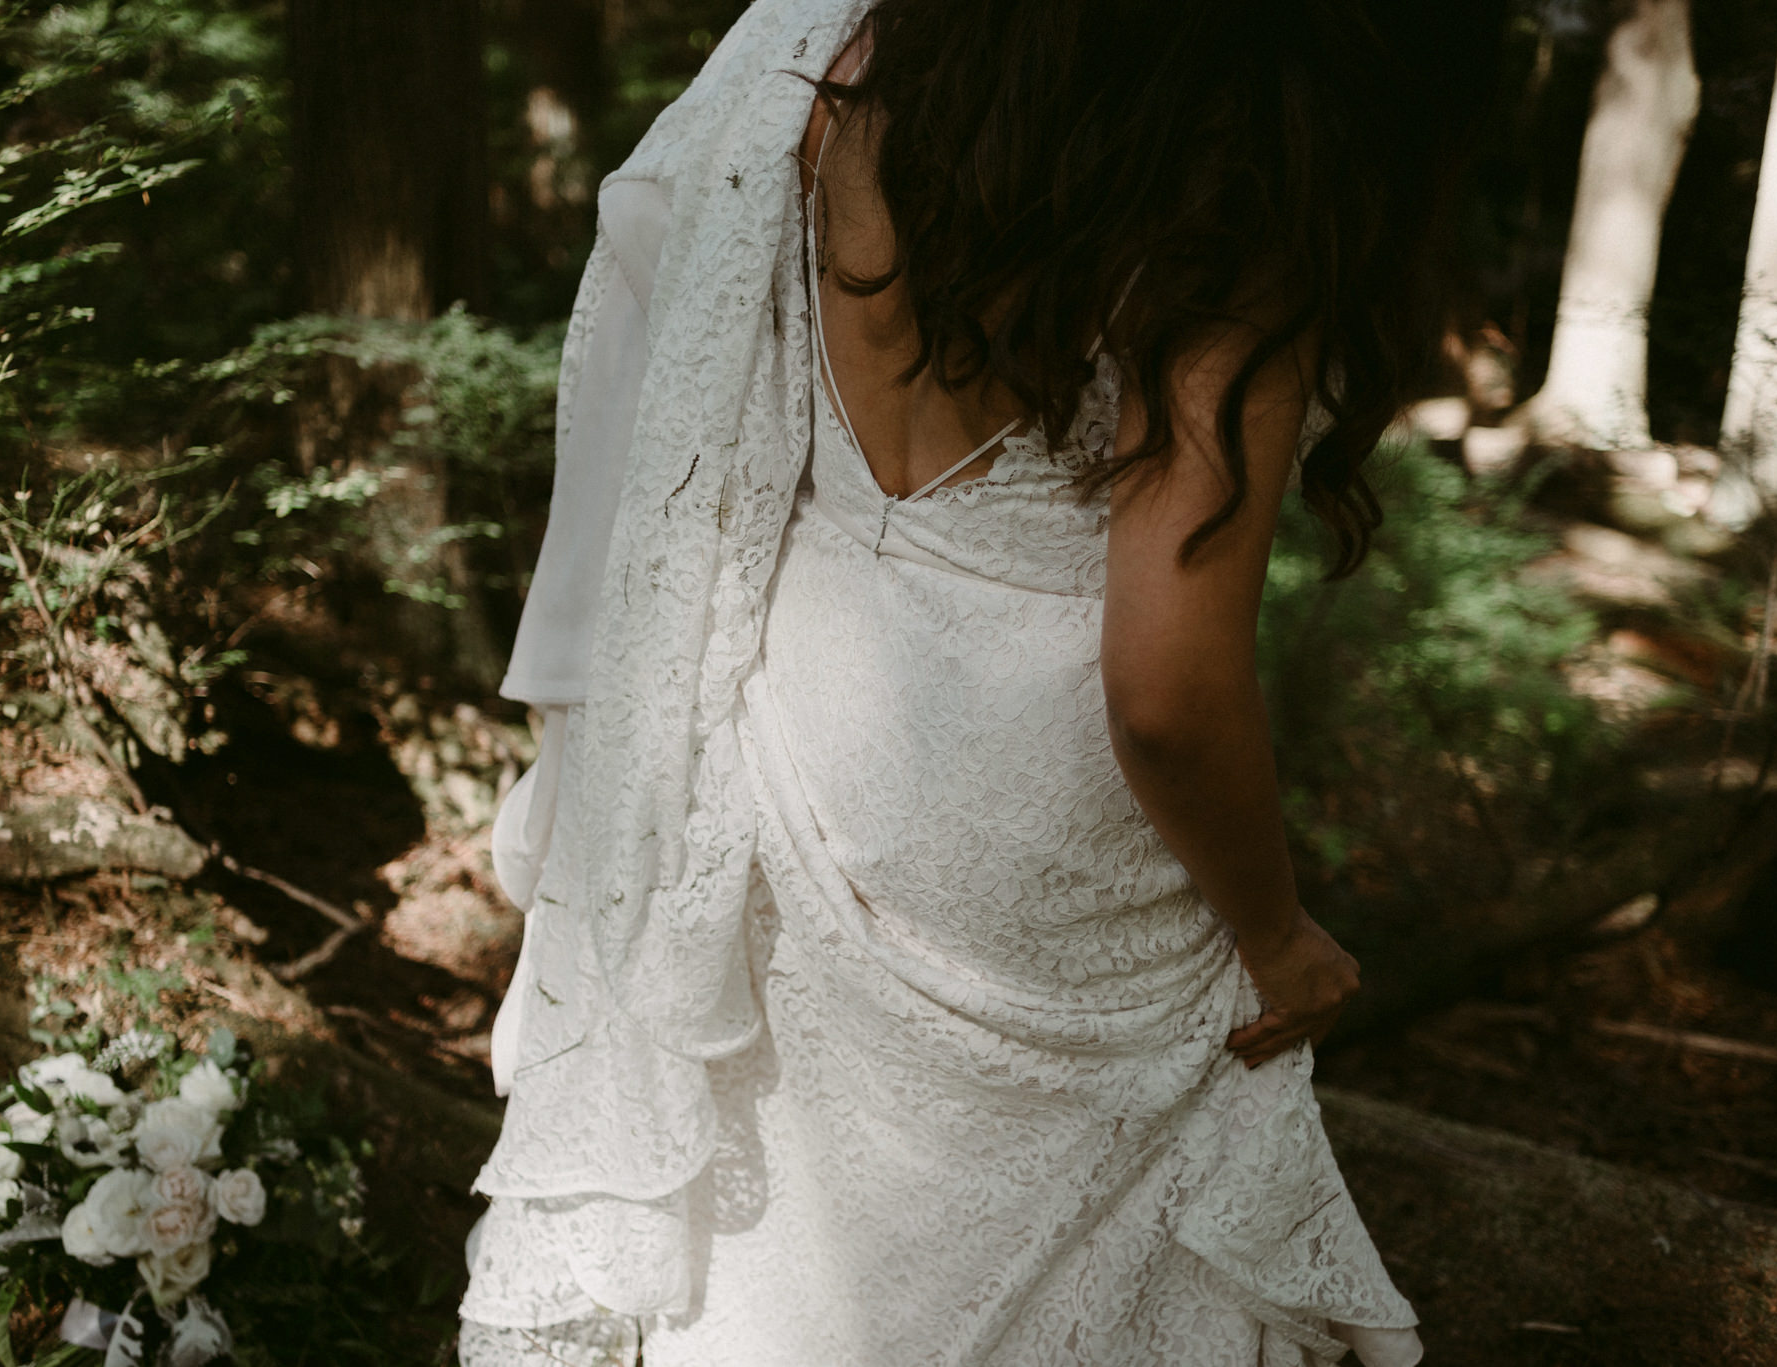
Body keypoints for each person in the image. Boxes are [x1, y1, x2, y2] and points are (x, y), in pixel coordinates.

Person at [458, 1, 1503, 1363]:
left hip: (810, 707)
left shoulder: (846, 67)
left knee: (780, 1251)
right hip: (1048, 833)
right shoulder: (1240, 183)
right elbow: (1167, 688)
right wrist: (1277, 933)